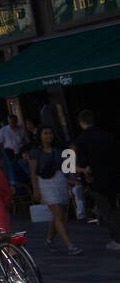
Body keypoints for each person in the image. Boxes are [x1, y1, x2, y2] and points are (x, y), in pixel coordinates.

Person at [74, 109, 120, 252]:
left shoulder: (81, 139)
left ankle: (117, 239)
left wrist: (86, 178)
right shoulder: (108, 136)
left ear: (81, 122)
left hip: (96, 179)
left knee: (107, 210)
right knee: (114, 208)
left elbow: (84, 162)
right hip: (113, 177)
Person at [29, 126, 79, 255]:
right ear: (40, 136)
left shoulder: (58, 150)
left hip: (59, 180)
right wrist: (35, 190)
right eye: (45, 133)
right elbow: (33, 172)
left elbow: (67, 168)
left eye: (50, 133)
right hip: (45, 182)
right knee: (58, 215)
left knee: (60, 215)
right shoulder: (35, 152)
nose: (48, 136)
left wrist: (72, 180)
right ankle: (70, 245)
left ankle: (49, 239)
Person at [0, 112, 30, 186]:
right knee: (12, 168)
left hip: (21, 152)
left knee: (23, 167)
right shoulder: (4, 130)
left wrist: (24, 149)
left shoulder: (21, 129)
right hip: (9, 153)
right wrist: (3, 153)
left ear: (16, 121)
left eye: (14, 122)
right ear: (8, 122)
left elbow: (26, 141)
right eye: (11, 122)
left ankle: (25, 181)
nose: (12, 124)